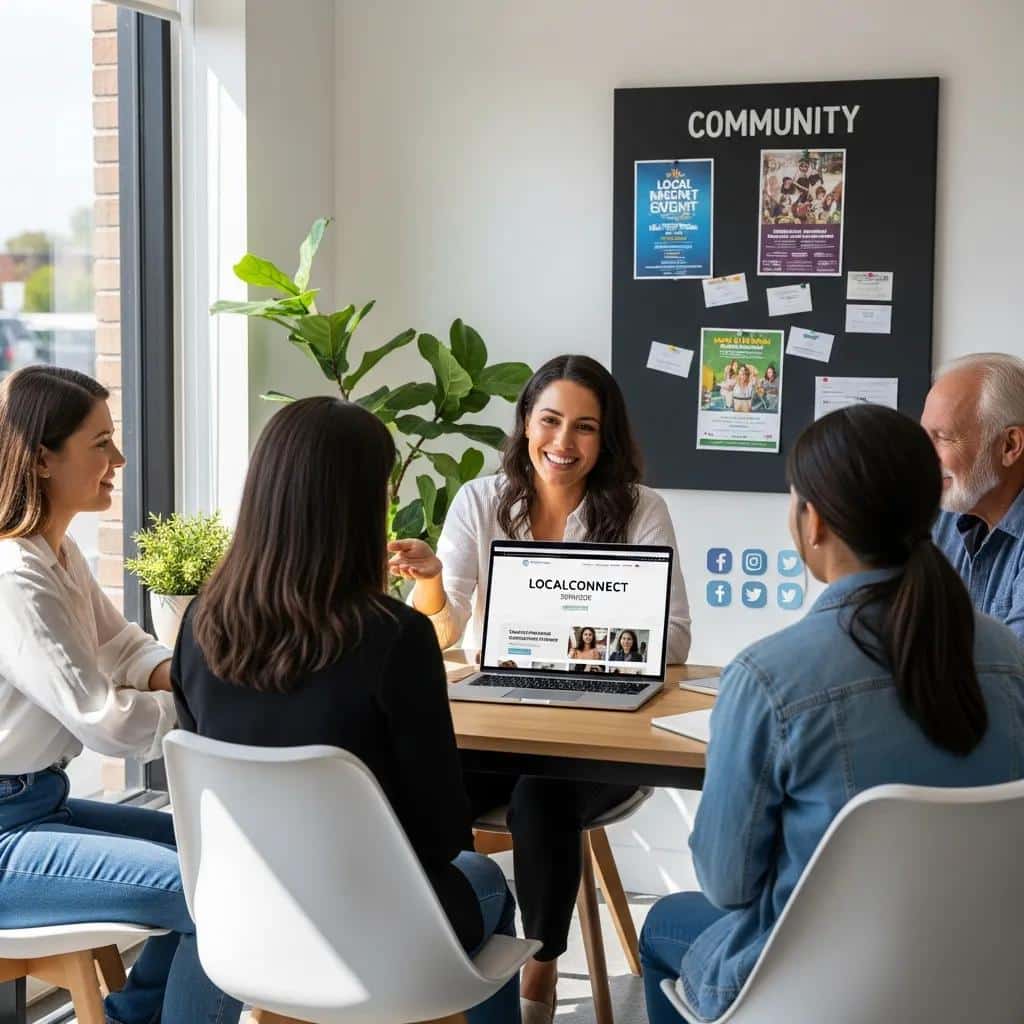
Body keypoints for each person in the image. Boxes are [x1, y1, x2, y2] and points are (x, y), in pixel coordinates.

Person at [639, 403, 1024, 1024]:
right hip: (986, 978)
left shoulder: (768, 678)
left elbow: (727, 886)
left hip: (820, 995)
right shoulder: (1010, 658)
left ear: (811, 520)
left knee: (664, 925)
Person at [172, 397, 520, 1024]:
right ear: (360, 504)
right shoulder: (396, 637)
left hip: (245, 927)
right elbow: (442, 837)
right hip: (377, 939)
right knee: (489, 885)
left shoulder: (201, 623)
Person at [389, 354, 692, 1021]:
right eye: (550, 420)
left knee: (542, 793)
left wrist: (570, 640)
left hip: (600, 745)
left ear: (605, 438)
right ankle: (459, 949)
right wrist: (434, 579)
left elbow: (672, 641)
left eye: (585, 428)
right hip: (502, 721)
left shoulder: (641, 509)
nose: (564, 443)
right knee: (429, 780)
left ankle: (541, 965)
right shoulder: (479, 501)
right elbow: (439, 633)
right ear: (525, 422)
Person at [0, 365, 240, 1023]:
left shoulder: (59, 556)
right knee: (225, 896)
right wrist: (207, 703)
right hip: (5, 836)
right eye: (100, 443)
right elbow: (105, 723)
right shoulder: (16, 577)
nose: (120, 459)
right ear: (44, 458)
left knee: (217, 856)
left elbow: (127, 649)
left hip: (37, 807)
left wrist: (202, 676)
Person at [923, 353, 1024, 641]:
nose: (924, 454)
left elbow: (1011, 674)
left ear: (1009, 445)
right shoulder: (936, 514)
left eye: (942, 437)